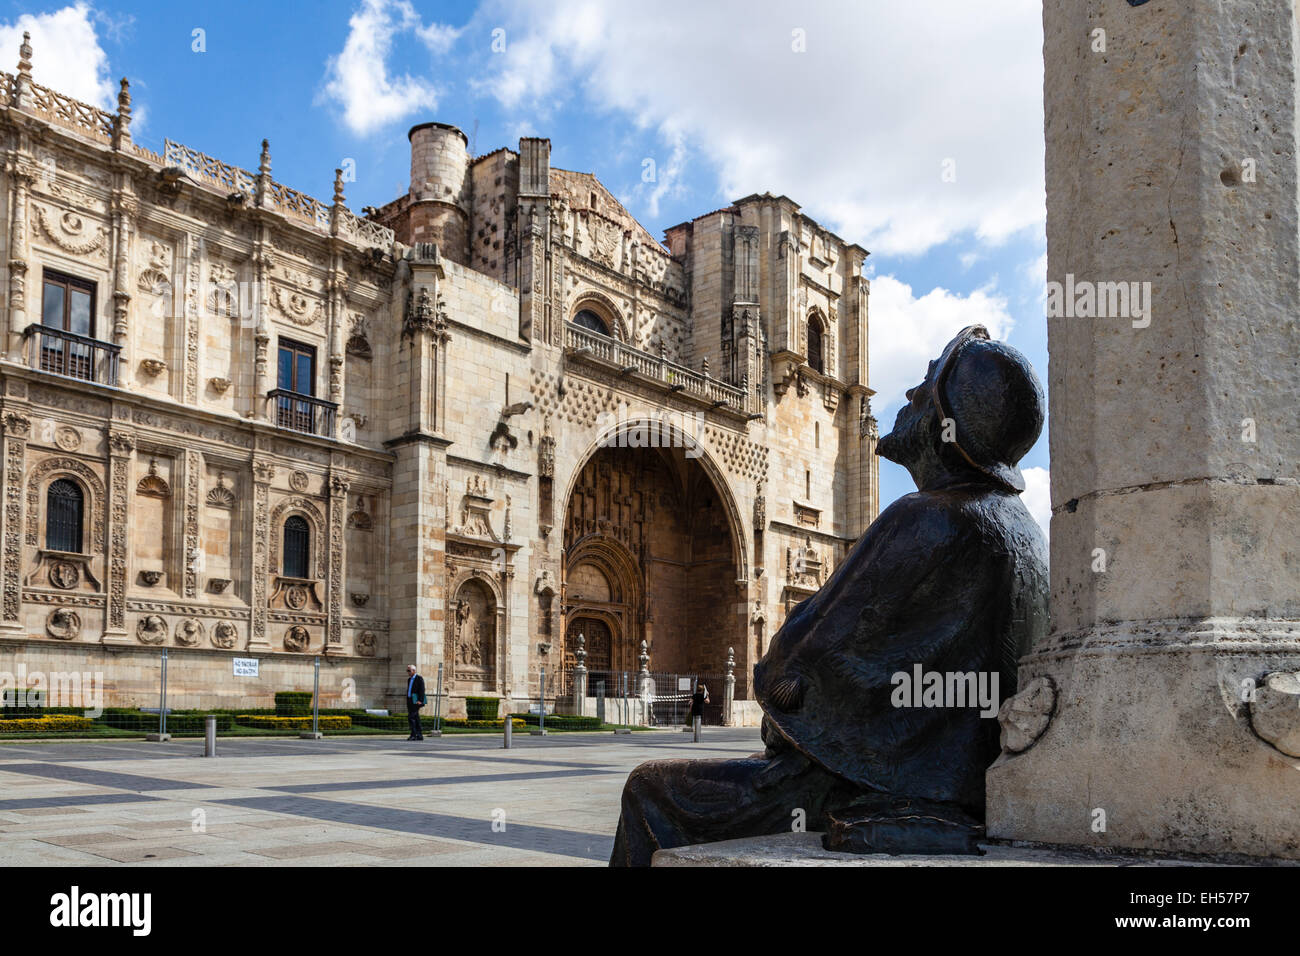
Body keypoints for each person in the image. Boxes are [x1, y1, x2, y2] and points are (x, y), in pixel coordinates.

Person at [609, 326, 1048, 866]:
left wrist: (781, 700)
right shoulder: (1025, 532)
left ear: (948, 423)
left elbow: (791, 675)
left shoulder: (927, 516)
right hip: (955, 785)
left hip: (882, 791)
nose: (909, 396)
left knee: (649, 791)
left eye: (926, 384)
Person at [405, 664, 426, 741]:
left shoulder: (419, 678)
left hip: (416, 702)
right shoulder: (409, 679)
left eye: (409, 670)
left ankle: (413, 734)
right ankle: (419, 735)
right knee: (416, 718)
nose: (408, 672)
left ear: (414, 671)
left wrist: (420, 700)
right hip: (410, 701)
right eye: (407, 670)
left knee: (411, 718)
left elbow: (422, 690)